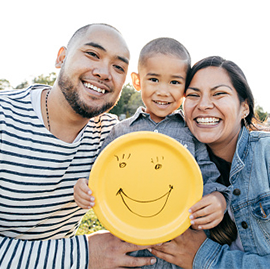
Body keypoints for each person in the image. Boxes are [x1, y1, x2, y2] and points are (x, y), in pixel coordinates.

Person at [0, 23, 157, 269]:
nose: (105, 73)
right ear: (61, 57)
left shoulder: (114, 136)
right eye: (93, 54)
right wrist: (84, 255)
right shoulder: (4, 118)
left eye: (118, 67)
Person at [74, 39, 230, 241]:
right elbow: (100, 175)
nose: (163, 91)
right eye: (154, 80)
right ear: (137, 81)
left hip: (178, 244)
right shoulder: (120, 132)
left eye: (174, 82)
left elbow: (208, 177)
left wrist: (219, 198)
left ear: (185, 88)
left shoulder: (192, 133)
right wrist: (83, 187)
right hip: (128, 240)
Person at [148, 56, 270, 268]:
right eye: (193, 95)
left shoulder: (266, 154)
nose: (204, 105)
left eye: (219, 94)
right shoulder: (173, 162)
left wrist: (205, 258)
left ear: (245, 108)